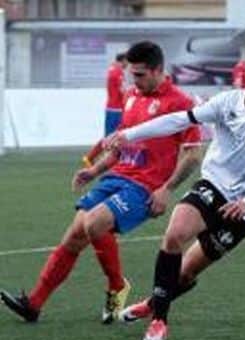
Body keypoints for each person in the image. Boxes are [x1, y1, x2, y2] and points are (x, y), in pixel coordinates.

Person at [104, 43, 245, 340]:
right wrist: (128, 134)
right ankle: (159, 320)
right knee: (175, 235)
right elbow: (178, 120)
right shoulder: (227, 103)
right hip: (216, 184)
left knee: (185, 273)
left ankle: (151, 304)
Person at [0, 41, 202, 324]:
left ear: (158, 70)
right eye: (132, 74)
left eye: (141, 74)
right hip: (117, 177)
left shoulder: (181, 104)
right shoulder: (131, 96)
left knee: (93, 223)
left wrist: (166, 189)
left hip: (144, 188)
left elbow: (193, 154)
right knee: (74, 235)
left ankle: (117, 285)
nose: (134, 80)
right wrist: (93, 170)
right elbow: (121, 146)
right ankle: (34, 303)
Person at [82, 52, 128, 168]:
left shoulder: (112, 70)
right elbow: (122, 91)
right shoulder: (118, 72)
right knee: (111, 137)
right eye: (127, 61)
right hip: (116, 109)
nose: (128, 64)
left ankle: (93, 157)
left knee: (113, 135)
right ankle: (92, 157)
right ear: (123, 60)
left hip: (112, 108)